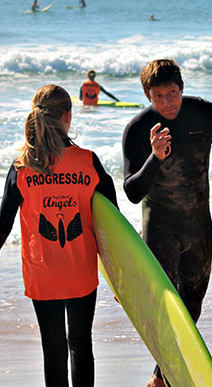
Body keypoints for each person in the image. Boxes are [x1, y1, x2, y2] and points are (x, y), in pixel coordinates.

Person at [122, 59, 212, 387]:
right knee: (167, 308)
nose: (167, 102)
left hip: (198, 226)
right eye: (158, 96)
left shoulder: (207, 115)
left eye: (172, 93)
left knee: (193, 305)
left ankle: (161, 375)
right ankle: (164, 377)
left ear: (182, 88)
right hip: (159, 228)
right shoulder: (139, 129)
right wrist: (155, 156)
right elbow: (132, 192)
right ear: (147, 96)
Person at [0, 85, 117, 387]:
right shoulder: (89, 162)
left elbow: (2, 226)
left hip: (43, 272)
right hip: (80, 269)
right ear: (68, 115)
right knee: (81, 343)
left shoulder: (21, 168)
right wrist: (122, 278)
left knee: (53, 349)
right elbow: (113, 226)